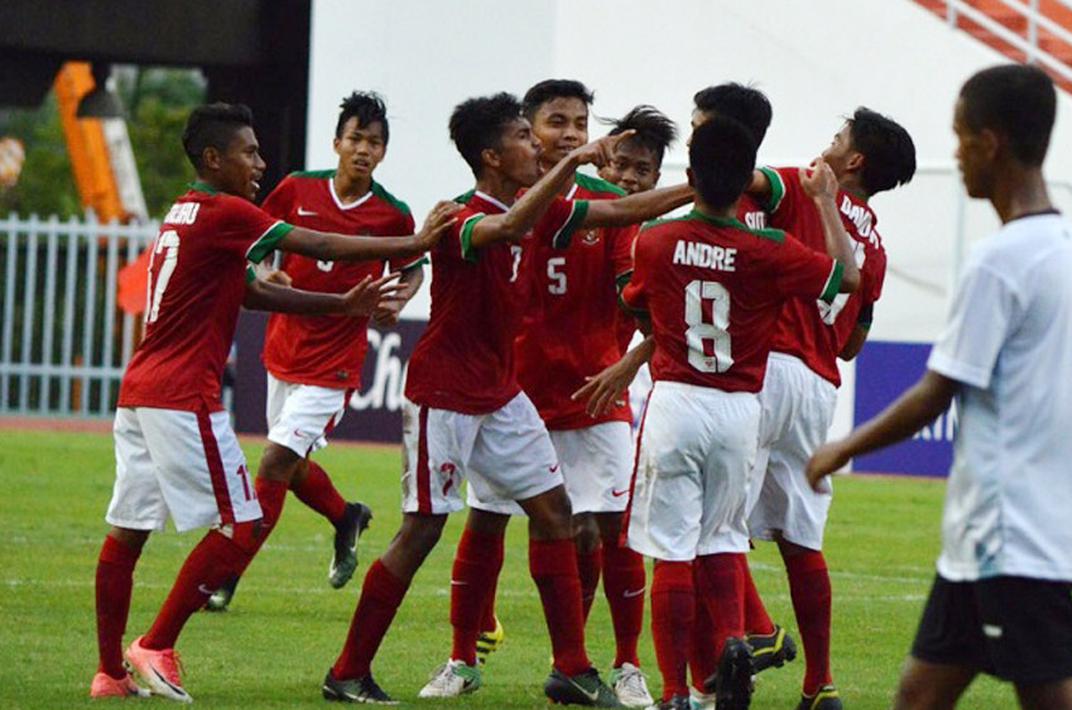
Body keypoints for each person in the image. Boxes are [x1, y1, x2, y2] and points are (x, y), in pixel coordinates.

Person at [805, 64, 1072, 710]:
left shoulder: (999, 261)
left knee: (1050, 698)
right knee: (917, 699)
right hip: (997, 540)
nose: (955, 154)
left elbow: (935, 393)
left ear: (990, 143)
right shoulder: (1071, 251)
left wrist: (839, 448)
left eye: (959, 137)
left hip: (1010, 539)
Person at [321, 92, 691, 706]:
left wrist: (700, 191)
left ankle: (572, 666)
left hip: (501, 393)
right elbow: (511, 228)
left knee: (554, 513)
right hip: (445, 393)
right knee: (423, 530)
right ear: (493, 156)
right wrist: (572, 166)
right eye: (527, 136)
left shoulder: (537, 208)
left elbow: (625, 209)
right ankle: (349, 670)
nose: (541, 145)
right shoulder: (463, 219)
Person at [90, 102, 458, 702]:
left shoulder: (183, 211)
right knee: (247, 520)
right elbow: (315, 242)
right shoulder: (228, 210)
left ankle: (109, 673)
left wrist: (341, 307)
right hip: (184, 394)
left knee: (128, 531)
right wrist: (417, 241)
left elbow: (252, 293)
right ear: (215, 159)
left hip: (141, 391)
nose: (260, 162)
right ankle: (155, 645)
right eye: (249, 152)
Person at [623, 116, 860, 710]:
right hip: (739, 407)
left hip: (677, 399)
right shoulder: (771, 249)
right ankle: (732, 637)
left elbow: (637, 307)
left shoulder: (654, 240)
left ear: (690, 175)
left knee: (671, 550)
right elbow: (846, 279)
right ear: (745, 180)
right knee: (723, 538)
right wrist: (827, 205)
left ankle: (677, 691)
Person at [206, 91, 425, 612]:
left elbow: (413, 263)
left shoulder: (392, 215)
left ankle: (224, 577)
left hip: (336, 362)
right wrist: (264, 272)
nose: (364, 150)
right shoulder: (296, 189)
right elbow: (253, 247)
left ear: (383, 153)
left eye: (374, 143)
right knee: (293, 465)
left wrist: (400, 296)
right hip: (284, 349)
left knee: (275, 462)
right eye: (356, 139)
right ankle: (346, 515)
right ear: (337, 142)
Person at [739, 107, 916, 710]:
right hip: (819, 383)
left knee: (709, 522)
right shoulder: (876, 246)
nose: (827, 144)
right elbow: (853, 341)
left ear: (854, 160)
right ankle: (820, 683)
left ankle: (758, 632)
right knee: (801, 538)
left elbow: (735, 181)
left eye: (838, 138)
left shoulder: (799, 182)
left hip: (762, 367)